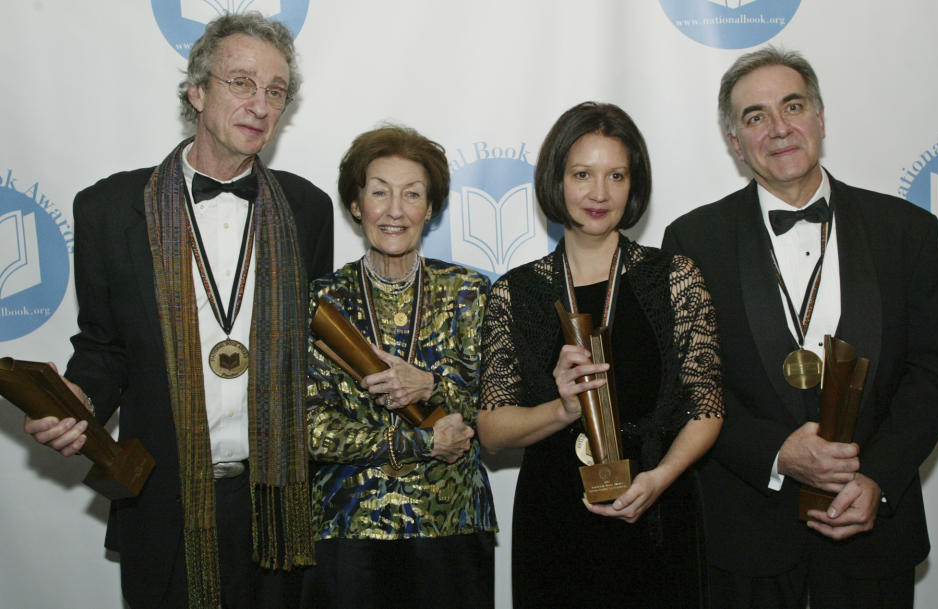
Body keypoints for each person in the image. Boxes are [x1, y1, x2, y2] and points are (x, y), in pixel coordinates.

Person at [22, 12, 333, 609]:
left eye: (275, 91)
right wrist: (78, 403)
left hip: (278, 503)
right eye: (241, 82)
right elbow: (103, 347)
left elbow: (315, 351)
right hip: (161, 498)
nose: (259, 105)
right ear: (196, 91)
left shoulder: (306, 209)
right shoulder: (110, 209)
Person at [661, 47, 938, 609]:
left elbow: (930, 375)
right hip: (746, 533)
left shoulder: (908, 231)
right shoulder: (692, 241)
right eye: (756, 116)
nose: (779, 128)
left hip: (870, 528)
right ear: (735, 142)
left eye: (792, 106)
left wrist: (876, 480)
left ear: (820, 117)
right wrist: (775, 453)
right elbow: (690, 386)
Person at [477, 101, 724, 608]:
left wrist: (660, 479)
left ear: (634, 186)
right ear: (556, 181)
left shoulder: (673, 278)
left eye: (616, 175)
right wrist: (563, 408)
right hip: (555, 521)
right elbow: (493, 430)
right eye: (582, 174)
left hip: (657, 506)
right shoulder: (515, 294)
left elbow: (707, 408)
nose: (599, 193)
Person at [299, 125, 497, 609]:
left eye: (412, 194)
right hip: (346, 526)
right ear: (354, 204)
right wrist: (421, 441)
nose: (394, 210)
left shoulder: (469, 293)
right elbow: (311, 429)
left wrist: (432, 385)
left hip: (451, 526)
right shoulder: (321, 300)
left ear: (430, 209)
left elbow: (497, 408)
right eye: (379, 192)